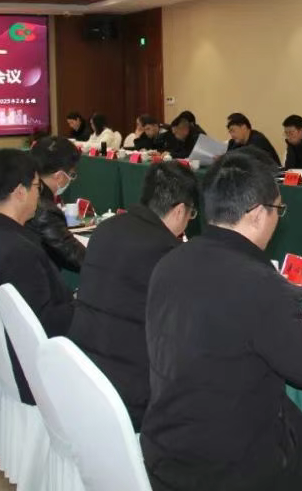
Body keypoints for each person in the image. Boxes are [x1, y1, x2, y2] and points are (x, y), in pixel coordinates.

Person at [141, 152, 302, 491]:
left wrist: (288, 327)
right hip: (229, 468)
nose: (278, 218)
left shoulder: (170, 262)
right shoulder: (257, 282)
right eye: (278, 209)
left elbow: (220, 328)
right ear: (256, 215)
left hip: (167, 453)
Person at [68, 161, 198, 430]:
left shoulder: (106, 229)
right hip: (131, 395)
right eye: (191, 214)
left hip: (82, 372)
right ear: (179, 210)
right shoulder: (167, 254)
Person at [0, 149, 74, 405]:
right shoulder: (18, 251)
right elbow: (44, 322)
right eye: (37, 187)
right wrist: (85, 304)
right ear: (19, 192)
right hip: (35, 364)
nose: (40, 194)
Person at [27, 136, 86, 272]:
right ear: (58, 176)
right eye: (71, 174)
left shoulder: (20, 187)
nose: (71, 179)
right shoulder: (44, 210)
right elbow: (78, 258)